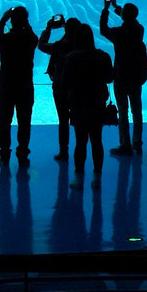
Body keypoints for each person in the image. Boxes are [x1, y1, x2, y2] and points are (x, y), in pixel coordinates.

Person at [61, 23, 114, 190]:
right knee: (97, 141)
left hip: (78, 104)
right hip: (97, 103)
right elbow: (109, 78)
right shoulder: (103, 56)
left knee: (80, 141)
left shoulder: (71, 58)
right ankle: (97, 178)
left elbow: (64, 83)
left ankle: (78, 178)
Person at [100, 0, 147, 156]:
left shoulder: (118, 33)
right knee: (137, 111)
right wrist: (116, 6)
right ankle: (137, 143)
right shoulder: (139, 29)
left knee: (123, 111)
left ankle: (125, 144)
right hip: (136, 77)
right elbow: (129, 18)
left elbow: (103, 29)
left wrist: (106, 9)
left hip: (121, 77)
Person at [0, 6, 39, 166]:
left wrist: (2, 20)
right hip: (25, 85)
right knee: (24, 121)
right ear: (25, 21)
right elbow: (35, 38)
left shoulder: (5, 39)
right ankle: (23, 151)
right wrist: (25, 22)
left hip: (6, 84)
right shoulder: (30, 40)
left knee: (4, 121)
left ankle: (4, 152)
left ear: (11, 21)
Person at [38, 15, 80, 161]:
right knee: (80, 121)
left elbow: (41, 45)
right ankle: (80, 151)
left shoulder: (60, 46)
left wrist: (48, 28)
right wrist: (65, 26)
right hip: (78, 90)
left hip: (60, 88)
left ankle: (64, 151)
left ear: (66, 30)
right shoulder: (83, 48)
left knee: (63, 120)